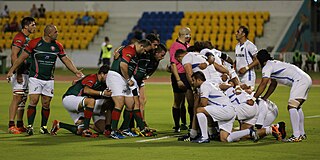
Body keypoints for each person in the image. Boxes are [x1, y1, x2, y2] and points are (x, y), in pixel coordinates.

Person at [6, 24, 84, 136]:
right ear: (49, 33)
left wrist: (76, 71)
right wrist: (12, 70)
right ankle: (30, 126)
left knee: (46, 103)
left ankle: (43, 127)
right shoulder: (34, 43)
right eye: (56, 32)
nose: (58, 34)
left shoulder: (58, 46)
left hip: (49, 79)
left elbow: (65, 60)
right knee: (33, 100)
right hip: (35, 78)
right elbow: (21, 58)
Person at [253, 49, 312, 142]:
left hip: (299, 80)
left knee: (292, 106)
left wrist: (254, 97)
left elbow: (263, 83)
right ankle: (301, 133)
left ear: (261, 59)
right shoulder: (273, 63)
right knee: (297, 107)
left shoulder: (267, 67)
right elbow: (273, 84)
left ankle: (296, 135)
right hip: (305, 78)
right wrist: (265, 98)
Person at [191, 71, 259, 143]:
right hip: (229, 110)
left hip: (224, 110)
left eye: (193, 80)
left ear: (198, 80)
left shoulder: (204, 85)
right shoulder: (209, 84)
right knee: (225, 138)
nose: (192, 82)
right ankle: (249, 132)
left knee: (199, 110)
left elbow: (203, 103)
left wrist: (196, 103)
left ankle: (204, 137)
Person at [106, 39, 151, 139]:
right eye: (145, 50)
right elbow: (123, 65)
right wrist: (128, 79)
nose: (145, 53)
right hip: (116, 76)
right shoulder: (130, 50)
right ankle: (113, 131)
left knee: (131, 104)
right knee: (119, 103)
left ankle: (125, 129)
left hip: (126, 78)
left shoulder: (132, 51)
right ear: (141, 46)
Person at [50, 65, 112, 138]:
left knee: (82, 130)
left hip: (81, 104)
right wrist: (103, 93)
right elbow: (86, 90)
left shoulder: (104, 83)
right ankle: (86, 130)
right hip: (70, 98)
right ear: (102, 74)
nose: (109, 79)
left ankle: (59, 124)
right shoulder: (92, 77)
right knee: (93, 101)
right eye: (108, 76)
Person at [8, 17, 36, 134]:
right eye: (33, 25)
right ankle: (11, 125)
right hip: (20, 72)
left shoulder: (27, 38)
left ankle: (19, 123)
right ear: (26, 26)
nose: (34, 27)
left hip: (26, 72)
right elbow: (14, 55)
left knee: (23, 99)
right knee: (17, 97)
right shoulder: (19, 38)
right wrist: (17, 72)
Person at [169, 27, 193, 132]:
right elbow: (173, 63)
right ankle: (177, 125)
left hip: (187, 74)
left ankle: (192, 125)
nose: (190, 36)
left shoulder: (187, 46)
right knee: (178, 102)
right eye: (189, 34)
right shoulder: (175, 46)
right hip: (179, 75)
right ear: (186, 35)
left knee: (190, 101)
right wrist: (178, 79)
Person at [234, 26, 259, 90]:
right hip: (239, 75)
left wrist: (246, 68)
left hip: (248, 75)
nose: (236, 33)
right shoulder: (237, 46)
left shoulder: (250, 45)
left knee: (248, 95)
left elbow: (257, 60)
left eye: (238, 32)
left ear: (243, 34)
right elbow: (238, 59)